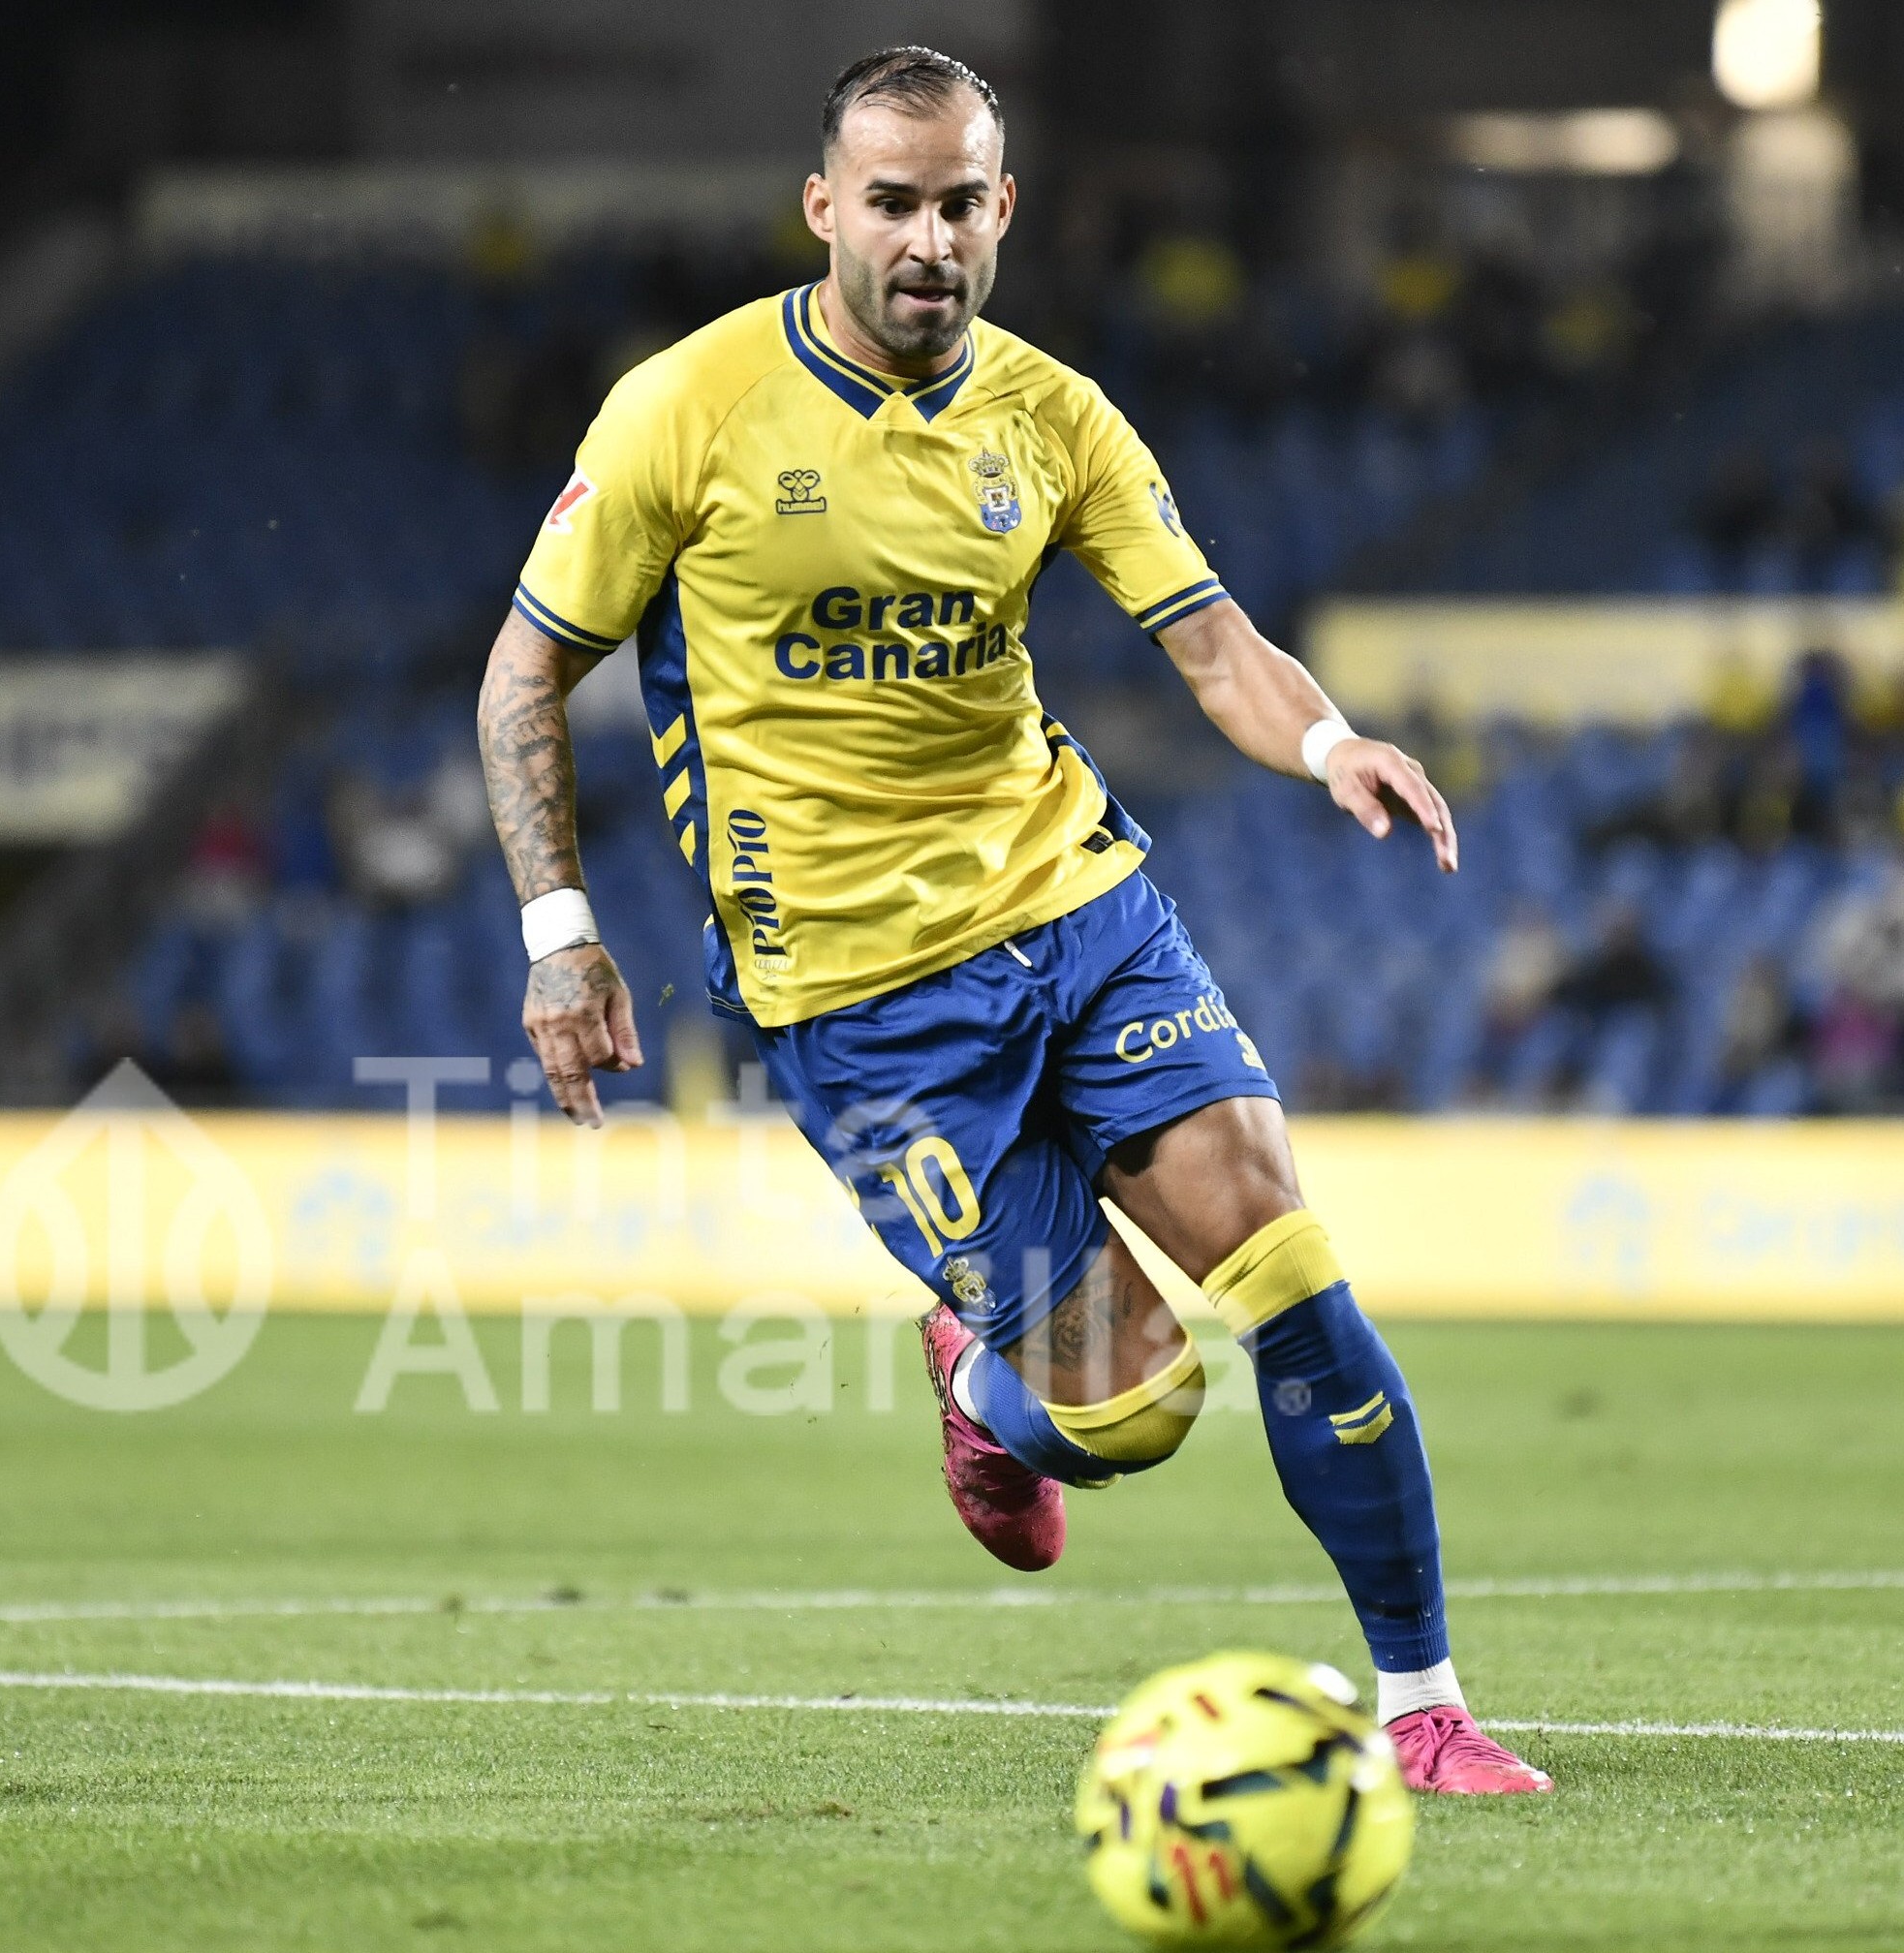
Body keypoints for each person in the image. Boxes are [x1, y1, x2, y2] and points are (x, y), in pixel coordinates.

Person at [474, 48, 1547, 1794]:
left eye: (959, 201)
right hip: (860, 998)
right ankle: (985, 1391)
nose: (926, 239)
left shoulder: (1051, 417)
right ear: (823, 209)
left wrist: (1334, 739)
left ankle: (1423, 1703)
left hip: (1078, 907)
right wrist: (558, 933)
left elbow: (1211, 642)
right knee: (1135, 1413)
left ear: (1005, 208)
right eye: (889, 201)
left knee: (1286, 1261)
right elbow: (530, 666)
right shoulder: (687, 407)